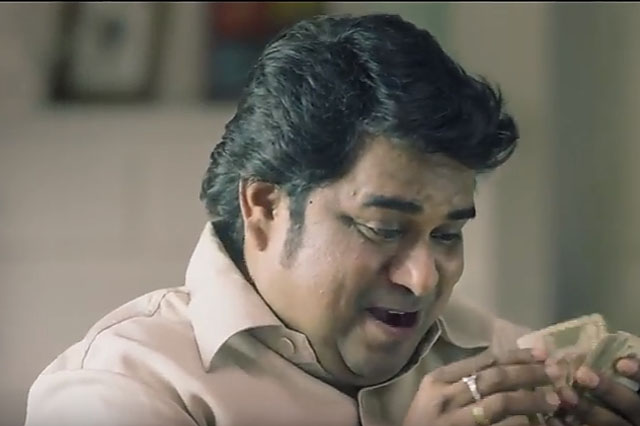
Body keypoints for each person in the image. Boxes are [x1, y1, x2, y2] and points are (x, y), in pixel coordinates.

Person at [24, 13, 640, 426]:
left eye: (448, 234)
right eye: (384, 228)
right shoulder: (120, 389)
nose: (425, 278)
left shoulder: (500, 359)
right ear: (265, 207)